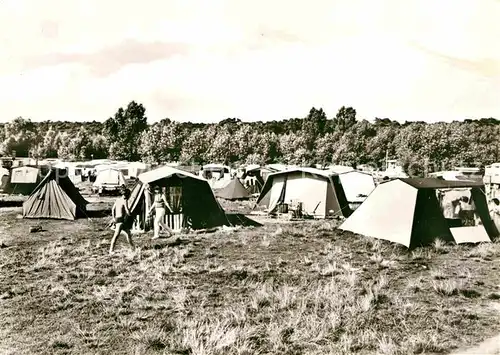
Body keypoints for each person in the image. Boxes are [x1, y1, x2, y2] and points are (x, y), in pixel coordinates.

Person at [109, 187, 134, 254]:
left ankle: (133, 248)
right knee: (116, 235)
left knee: (128, 234)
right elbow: (127, 210)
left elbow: (113, 209)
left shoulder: (117, 200)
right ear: (127, 195)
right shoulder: (124, 200)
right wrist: (131, 215)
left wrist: (113, 218)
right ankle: (111, 250)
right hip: (121, 220)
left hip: (118, 218)